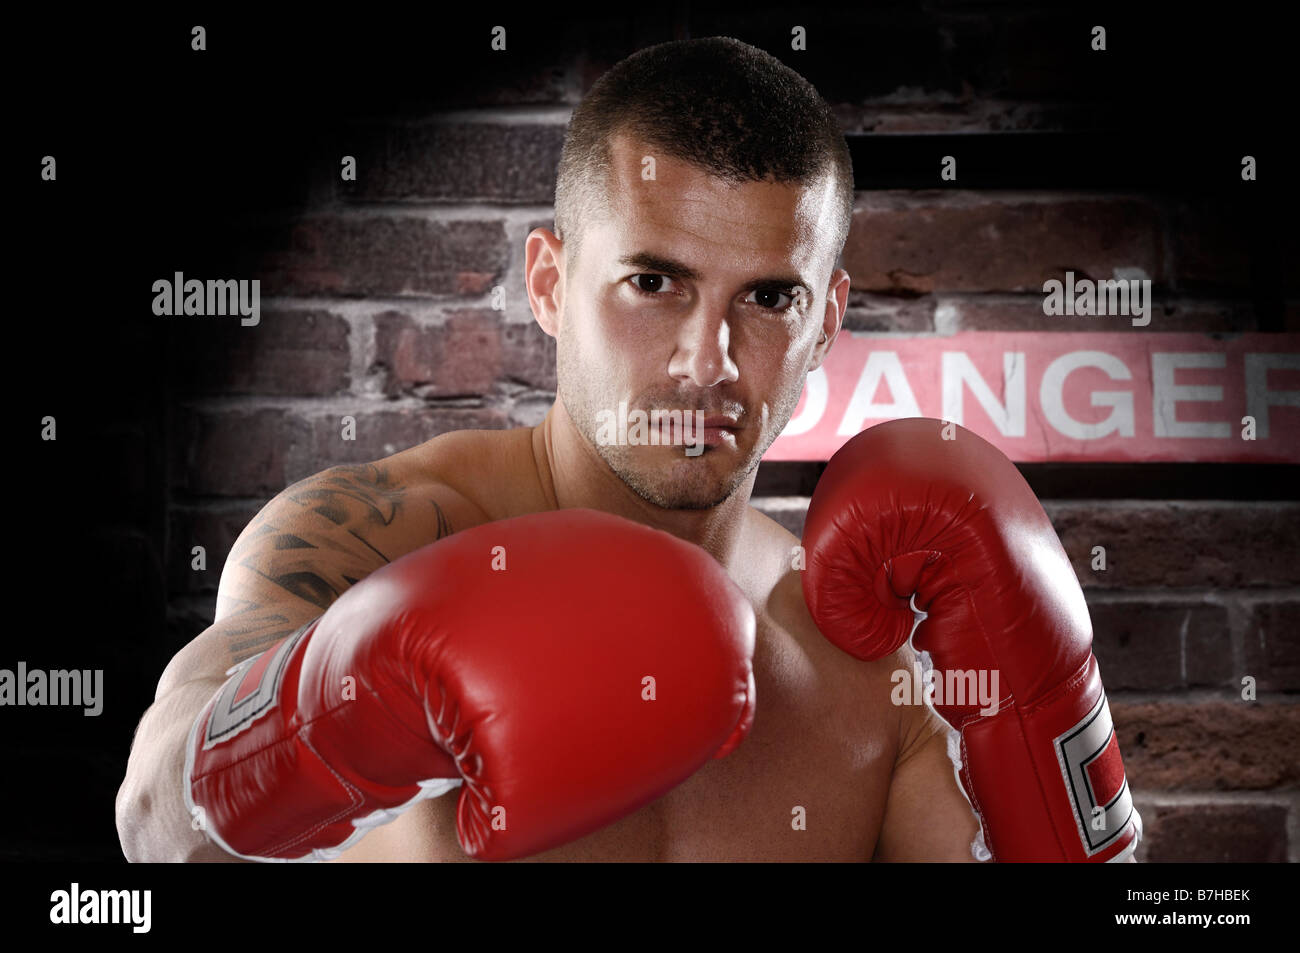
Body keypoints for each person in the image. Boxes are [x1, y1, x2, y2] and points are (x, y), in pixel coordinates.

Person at [115, 36, 1138, 863]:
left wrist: (1062, 759)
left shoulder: (870, 661)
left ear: (826, 321)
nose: (707, 361)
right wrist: (342, 699)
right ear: (549, 284)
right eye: (654, 283)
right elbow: (154, 819)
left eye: (767, 297)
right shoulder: (374, 540)